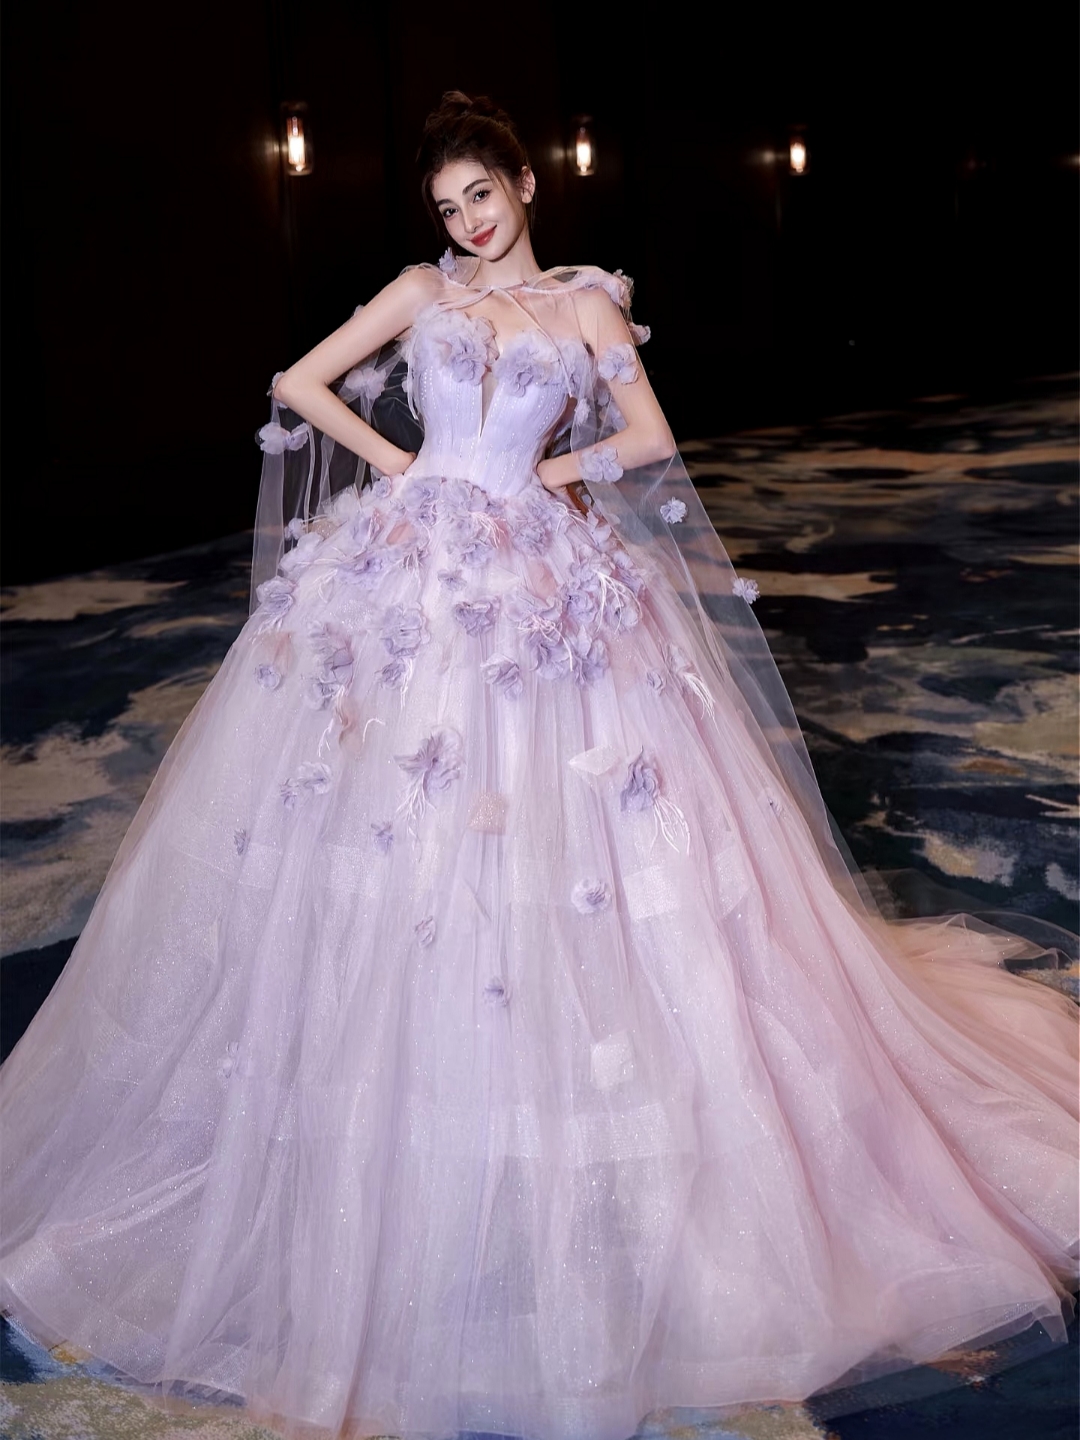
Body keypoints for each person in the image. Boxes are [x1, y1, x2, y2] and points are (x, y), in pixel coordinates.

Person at [1, 90, 1076, 1440]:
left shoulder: (586, 307)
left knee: (581, 824)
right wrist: (405, 466)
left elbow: (653, 439)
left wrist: (557, 475)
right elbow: (298, 383)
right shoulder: (421, 293)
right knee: (384, 813)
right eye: (445, 206)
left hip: (544, 570)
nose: (465, 220)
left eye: (481, 194)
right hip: (412, 565)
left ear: (523, 184)